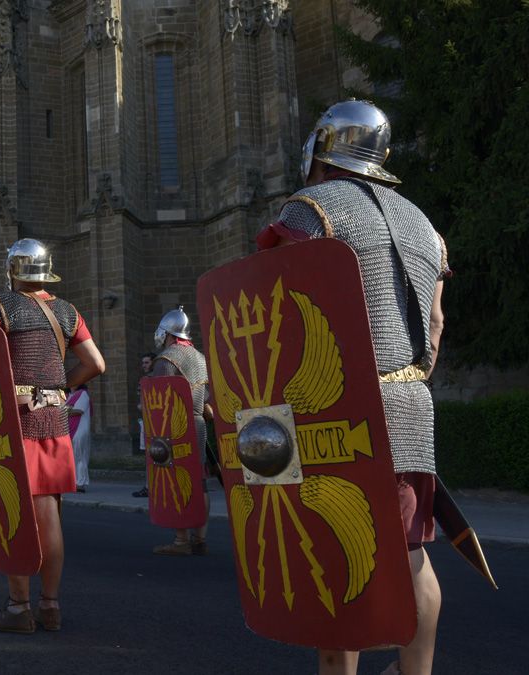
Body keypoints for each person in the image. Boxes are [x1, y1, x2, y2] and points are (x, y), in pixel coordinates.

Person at [257, 99, 450, 675]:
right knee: (410, 554)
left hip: (335, 409)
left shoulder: (310, 210)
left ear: (320, 150)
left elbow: (278, 316)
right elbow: (434, 322)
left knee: (337, 560)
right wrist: (406, 381)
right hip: (412, 402)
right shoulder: (423, 223)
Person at [0, 239, 105, 633]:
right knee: (49, 513)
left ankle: (17, 608)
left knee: (13, 511)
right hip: (54, 421)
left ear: (12, 270)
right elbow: (96, 363)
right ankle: (50, 606)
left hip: (16, 423)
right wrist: (60, 387)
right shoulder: (68, 311)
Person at [146, 307, 214, 556]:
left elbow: (160, 401)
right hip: (198, 425)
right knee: (200, 481)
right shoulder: (200, 358)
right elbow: (208, 397)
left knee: (177, 481)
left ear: (168, 334)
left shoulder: (167, 359)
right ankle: (200, 539)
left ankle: (180, 540)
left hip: (175, 428)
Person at [133, 353, 155, 498]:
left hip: (155, 422)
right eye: (143, 363)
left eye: (147, 362)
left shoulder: (153, 378)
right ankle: (151, 486)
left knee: (153, 455)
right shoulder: (145, 380)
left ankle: (151, 486)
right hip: (147, 421)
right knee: (150, 455)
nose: (144, 365)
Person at [65, 384, 91, 493]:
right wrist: (67, 409)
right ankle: (74, 482)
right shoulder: (68, 395)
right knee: (73, 457)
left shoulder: (83, 394)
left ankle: (81, 483)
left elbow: (78, 410)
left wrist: (64, 410)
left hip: (80, 428)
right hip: (70, 428)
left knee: (80, 456)